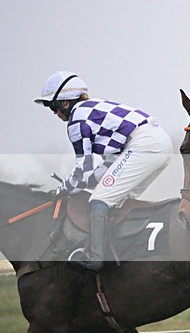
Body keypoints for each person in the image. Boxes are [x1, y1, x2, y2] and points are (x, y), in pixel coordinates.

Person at [34, 70, 172, 271]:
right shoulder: (93, 110)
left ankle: (97, 258)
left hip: (144, 146)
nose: (53, 112)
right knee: (119, 202)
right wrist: (86, 184)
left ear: (64, 102)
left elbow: (83, 170)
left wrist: (63, 189)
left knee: (100, 201)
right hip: (159, 143)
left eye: (52, 106)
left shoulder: (77, 120)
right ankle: (126, 252)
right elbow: (107, 166)